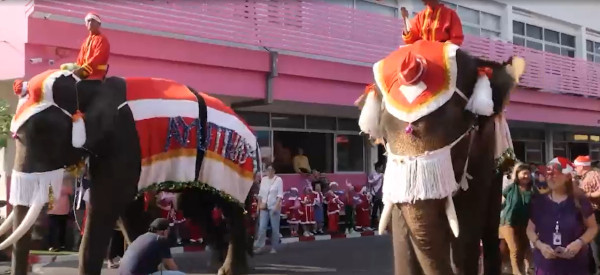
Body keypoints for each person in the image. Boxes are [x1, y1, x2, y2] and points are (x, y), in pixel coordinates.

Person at [526, 157, 598, 275]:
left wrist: (579, 242)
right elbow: (530, 229)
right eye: (548, 173)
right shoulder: (538, 201)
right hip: (546, 266)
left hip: (576, 266)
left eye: (555, 173)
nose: (550, 177)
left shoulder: (580, 201)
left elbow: (593, 227)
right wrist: (540, 245)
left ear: (568, 176)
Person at [499, 163, 534, 275]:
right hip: (508, 222)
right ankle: (516, 272)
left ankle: (526, 270)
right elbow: (501, 199)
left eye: (528, 173)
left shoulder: (533, 190)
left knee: (524, 248)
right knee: (514, 249)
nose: (526, 176)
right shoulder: (511, 188)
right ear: (517, 175)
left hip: (524, 223)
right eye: (524, 173)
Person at [119, 218, 184, 275]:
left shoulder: (142, 237)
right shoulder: (161, 240)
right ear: (164, 231)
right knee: (179, 274)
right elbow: (171, 267)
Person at [61, 12, 110, 80]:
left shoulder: (102, 39)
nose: (90, 23)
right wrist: (75, 67)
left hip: (96, 73)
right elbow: (80, 59)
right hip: (84, 70)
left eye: (93, 20)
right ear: (86, 24)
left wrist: (84, 69)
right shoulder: (86, 41)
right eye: (88, 21)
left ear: (99, 24)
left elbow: (98, 58)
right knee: (64, 68)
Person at [574, 155, 600, 274]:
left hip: (596, 212)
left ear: (582, 167)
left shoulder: (594, 175)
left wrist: (588, 195)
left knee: (595, 242)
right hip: (589, 212)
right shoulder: (584, 177)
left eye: (576, 166)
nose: (575, 169)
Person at [400, 0, 464, 46]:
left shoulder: (450, 14)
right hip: (423, 56)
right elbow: (410, 39)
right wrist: (405, 19)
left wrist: (440, 49)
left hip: (442, 57)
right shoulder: (419, 17)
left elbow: (456, 39)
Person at [254, 165, 283, 254]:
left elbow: (280, 195)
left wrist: (276, 207)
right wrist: (258, 208)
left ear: (274, 171)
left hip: (274, 206)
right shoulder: (264, 180)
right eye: (268, 170)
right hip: (264, 206)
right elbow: (260, 194)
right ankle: (260, 246)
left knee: (275, 228)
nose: (269, 172)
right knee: (262, 227)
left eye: (271, 170)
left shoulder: (278, 180)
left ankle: (274, 247)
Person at [47, 174, 74, 252]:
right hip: (53, 211)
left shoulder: (66, 183)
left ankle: (61, 245)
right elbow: (51, 194)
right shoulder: (51, 184)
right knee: (53, 229)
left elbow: (70, 191)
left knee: (61, 229)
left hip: (63, 210)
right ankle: (52, 245)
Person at [368, 162, 384, 228]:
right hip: (374, 194)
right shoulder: (372, 174)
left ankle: (382, 225)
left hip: (381, 194)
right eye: (381, 167)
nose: (382, 168)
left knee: (382, 210)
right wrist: (379, 176)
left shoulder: (382, 175)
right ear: (378, 168)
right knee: (374, 210)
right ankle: (372, 224)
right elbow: (371, 182)